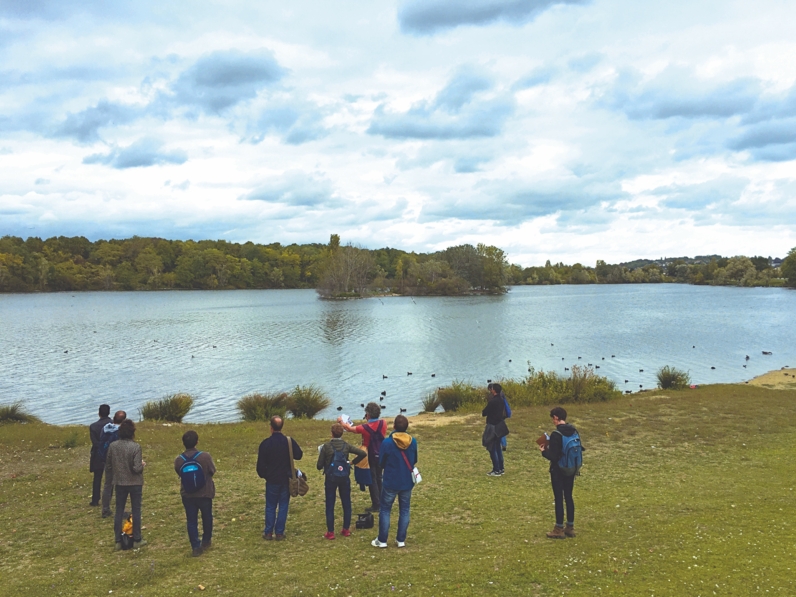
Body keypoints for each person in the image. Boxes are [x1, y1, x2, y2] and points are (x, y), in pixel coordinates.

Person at [372, 414, 417, 548]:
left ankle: (382, 540)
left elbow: (381, 462)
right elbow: (414, 460)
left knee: (385, 509)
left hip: (391, 480)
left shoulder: (387, 443)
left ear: (394, 426)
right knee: (405, 509)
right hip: (406, 480)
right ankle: (401, 539)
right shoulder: (412, 441)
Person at [316, 423, 366, 539]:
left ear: (331, 433)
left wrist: (325, 464)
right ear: (342, 433)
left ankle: (330, 532)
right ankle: (346, 529)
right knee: (346, 502)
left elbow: (319, 465)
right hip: (344, 477)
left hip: (331, 477)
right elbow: (362, 453)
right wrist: (351, 463)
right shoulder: (346, 446)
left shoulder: (326, 447)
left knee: (330, 504)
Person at [256, 416, 303, 540]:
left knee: (270, 505)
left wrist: (265, 475)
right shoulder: (289, 441)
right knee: (283, 505)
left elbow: (260, 466)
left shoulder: (265, 444)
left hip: (272, 479)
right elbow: (299, 455)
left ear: (271, 428)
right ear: (282, 427)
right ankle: (279, 532)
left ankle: (268, 532)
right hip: (286, 478)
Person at [540, 406, 581, 539]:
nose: (553, 421)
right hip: (571, 468)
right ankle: (570, 526)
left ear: (556, 418)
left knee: (559, 498)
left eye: (553, 418)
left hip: (558, 470)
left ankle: (558, 528)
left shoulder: (557, 434)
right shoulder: (574, 430)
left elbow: (554, 456)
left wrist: (544, 451)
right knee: (568, 496)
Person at [105, 419, 146, 550]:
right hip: (134, 482)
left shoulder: (113, 446)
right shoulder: (135, 447)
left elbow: (109, 465)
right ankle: (137, 539)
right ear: (132, 433)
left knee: (119, 510)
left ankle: (118, 540)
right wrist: (142, 465)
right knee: (136, 510)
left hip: (120, 482)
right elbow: (137, 468)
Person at [174, 430, 216, 557]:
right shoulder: (205, 456)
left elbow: (179, 473)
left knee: (191, 520)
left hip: (187, 495)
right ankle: (206, 540)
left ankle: (195, 546)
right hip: (205, 493)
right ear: (197, 442)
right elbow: (212, 470)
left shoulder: (178, 460)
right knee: (207, 516)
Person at [339, 402, 386, 512]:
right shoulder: (383, 423)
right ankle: (383, 500)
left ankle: (376, 504)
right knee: (379, 477)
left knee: (372, 479)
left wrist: (341, 421)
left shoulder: (365, 428)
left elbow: (349, 429)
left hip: (369, 454)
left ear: (368, 415)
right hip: (382, 452)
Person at [100, 410, 127, 517]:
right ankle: (120, 511)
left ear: (114, 418)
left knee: (108, 485)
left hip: (107, 459)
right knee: (121, 485)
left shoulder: (105, 428)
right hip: (119, 460)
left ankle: (105, 509)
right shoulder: (121, 431)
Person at [88, 404, 111, 507]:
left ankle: (95, 499)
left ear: (99, 413)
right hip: (111, 453)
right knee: (110, 478)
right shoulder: (113, 424)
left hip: (98, 454)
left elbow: (95, 442)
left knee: (97, 477)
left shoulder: (93, 426)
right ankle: (108, 498)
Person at [482, 383, 507, 476]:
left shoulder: (492, 402)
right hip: (499, 425)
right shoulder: (501, 400)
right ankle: (501, 468)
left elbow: (484, 412)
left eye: (491, 389)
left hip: (492, 426)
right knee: (498, 447)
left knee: (492, 448)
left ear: (494, 390)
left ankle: (496, 469)